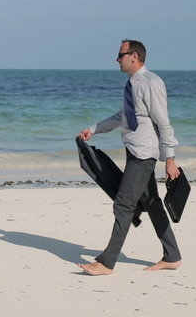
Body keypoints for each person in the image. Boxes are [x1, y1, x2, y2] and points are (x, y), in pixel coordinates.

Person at [77, 39, 182, 275]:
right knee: (152, 203)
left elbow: (163, 123)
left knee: (123, 204)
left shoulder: (151, 83)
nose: (117, 59)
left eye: (120, 54)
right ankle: (172, 255)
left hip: (144, 154)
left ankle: (106, 263)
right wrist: (94, 129)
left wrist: (170, 158)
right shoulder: (133, 84)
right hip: (134, 150)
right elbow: (123, 116)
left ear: (134, 56)